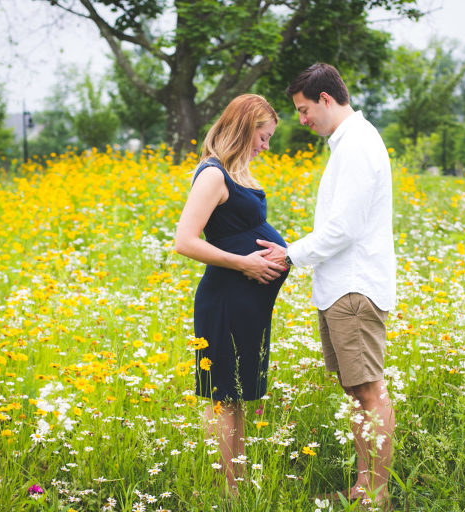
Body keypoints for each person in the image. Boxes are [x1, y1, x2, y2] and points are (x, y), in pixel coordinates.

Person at [257, 63, 396, 507]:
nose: (300, 119)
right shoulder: (348, 144)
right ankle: (364, 487)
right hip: (342, 286)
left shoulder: (356, 145)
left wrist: (288, 254)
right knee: (357, 390)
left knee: (368, 390)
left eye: (302, 109)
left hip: (354, 288)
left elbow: (345, 228)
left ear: (326, 99)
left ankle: (375, 494)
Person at [174, 94, 289, 491]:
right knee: (223, 396)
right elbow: (185, 241)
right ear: (243, 128)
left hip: (246, 304)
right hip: (224, 299)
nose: (266, 146)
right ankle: (227, 489)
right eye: (263, 136)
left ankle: (236, 481)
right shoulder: (212, 174)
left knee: (238, 395)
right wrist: (246, 263)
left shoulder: (237, 172)